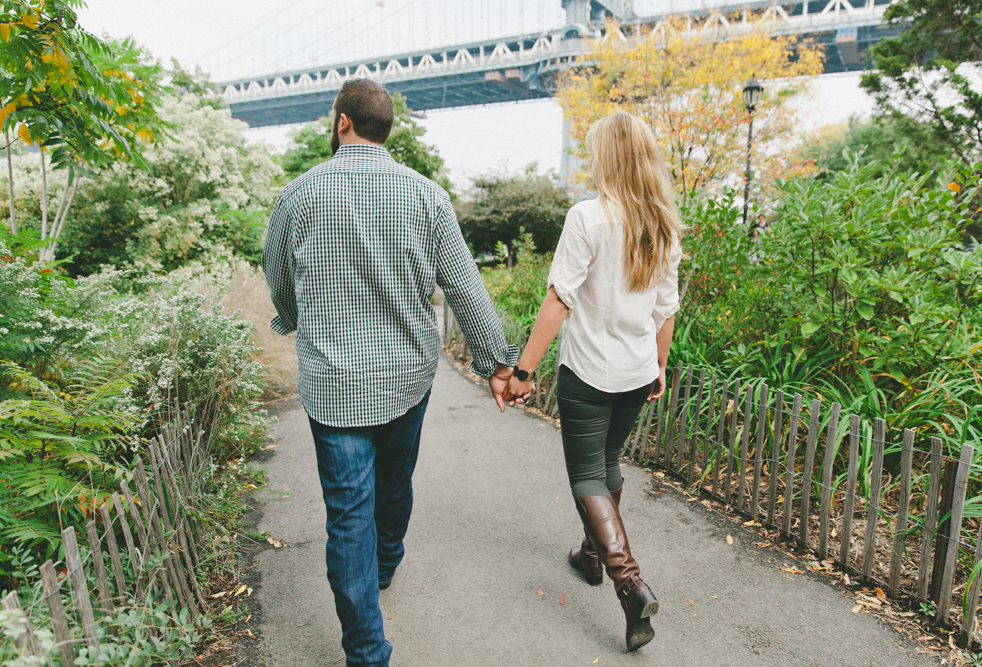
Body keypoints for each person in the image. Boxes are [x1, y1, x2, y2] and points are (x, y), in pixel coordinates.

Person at [262, 78, 520, 667]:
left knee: (347, 514)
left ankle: (367, 652)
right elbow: (463, 285)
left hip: (331, 385)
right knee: (396, 482)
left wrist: (298, 318)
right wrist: (497, 364)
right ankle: (386, 559)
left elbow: (277, 276)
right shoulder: (425, 195)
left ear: (343, 121)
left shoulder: (297, 196)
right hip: (407, 377)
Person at [502, 111, 683, 652]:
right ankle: (590, 554)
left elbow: (559, 299)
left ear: (606, 157)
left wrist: (523, 371)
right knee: (607, 465)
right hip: (635, 370)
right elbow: (666, 308)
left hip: (588, 370)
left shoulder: (588, 216)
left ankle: (629, 582)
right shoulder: (664, 223)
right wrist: (659, 364)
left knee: (585, 472)